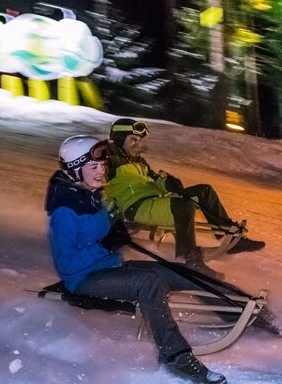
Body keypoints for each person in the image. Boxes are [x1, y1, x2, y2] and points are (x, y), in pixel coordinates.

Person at [45, 134, 227, 384]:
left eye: (103, 166)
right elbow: (67, 264)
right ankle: (175, 355)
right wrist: (105, 244)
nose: (101, 172)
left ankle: (233, 308)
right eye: (94, 167)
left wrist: (115, 227)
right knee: (148, 281)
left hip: (110, 268)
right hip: (84, 279)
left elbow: (105, 231)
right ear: (75, 169)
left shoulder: (94, 196)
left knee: (175, 271)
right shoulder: (65, 210)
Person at [103, 118, 265, 278]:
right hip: (135, 207)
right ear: (119, 138)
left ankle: (230, 238)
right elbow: (93, 183)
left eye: (138, 140)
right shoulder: (109, 161)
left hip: (154, 201)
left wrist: (169, 183)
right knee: (183, 206)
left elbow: (156, 181)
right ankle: (189, 258)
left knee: (204, 191)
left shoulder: (140, 162)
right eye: (133, 140)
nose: (137, 144)